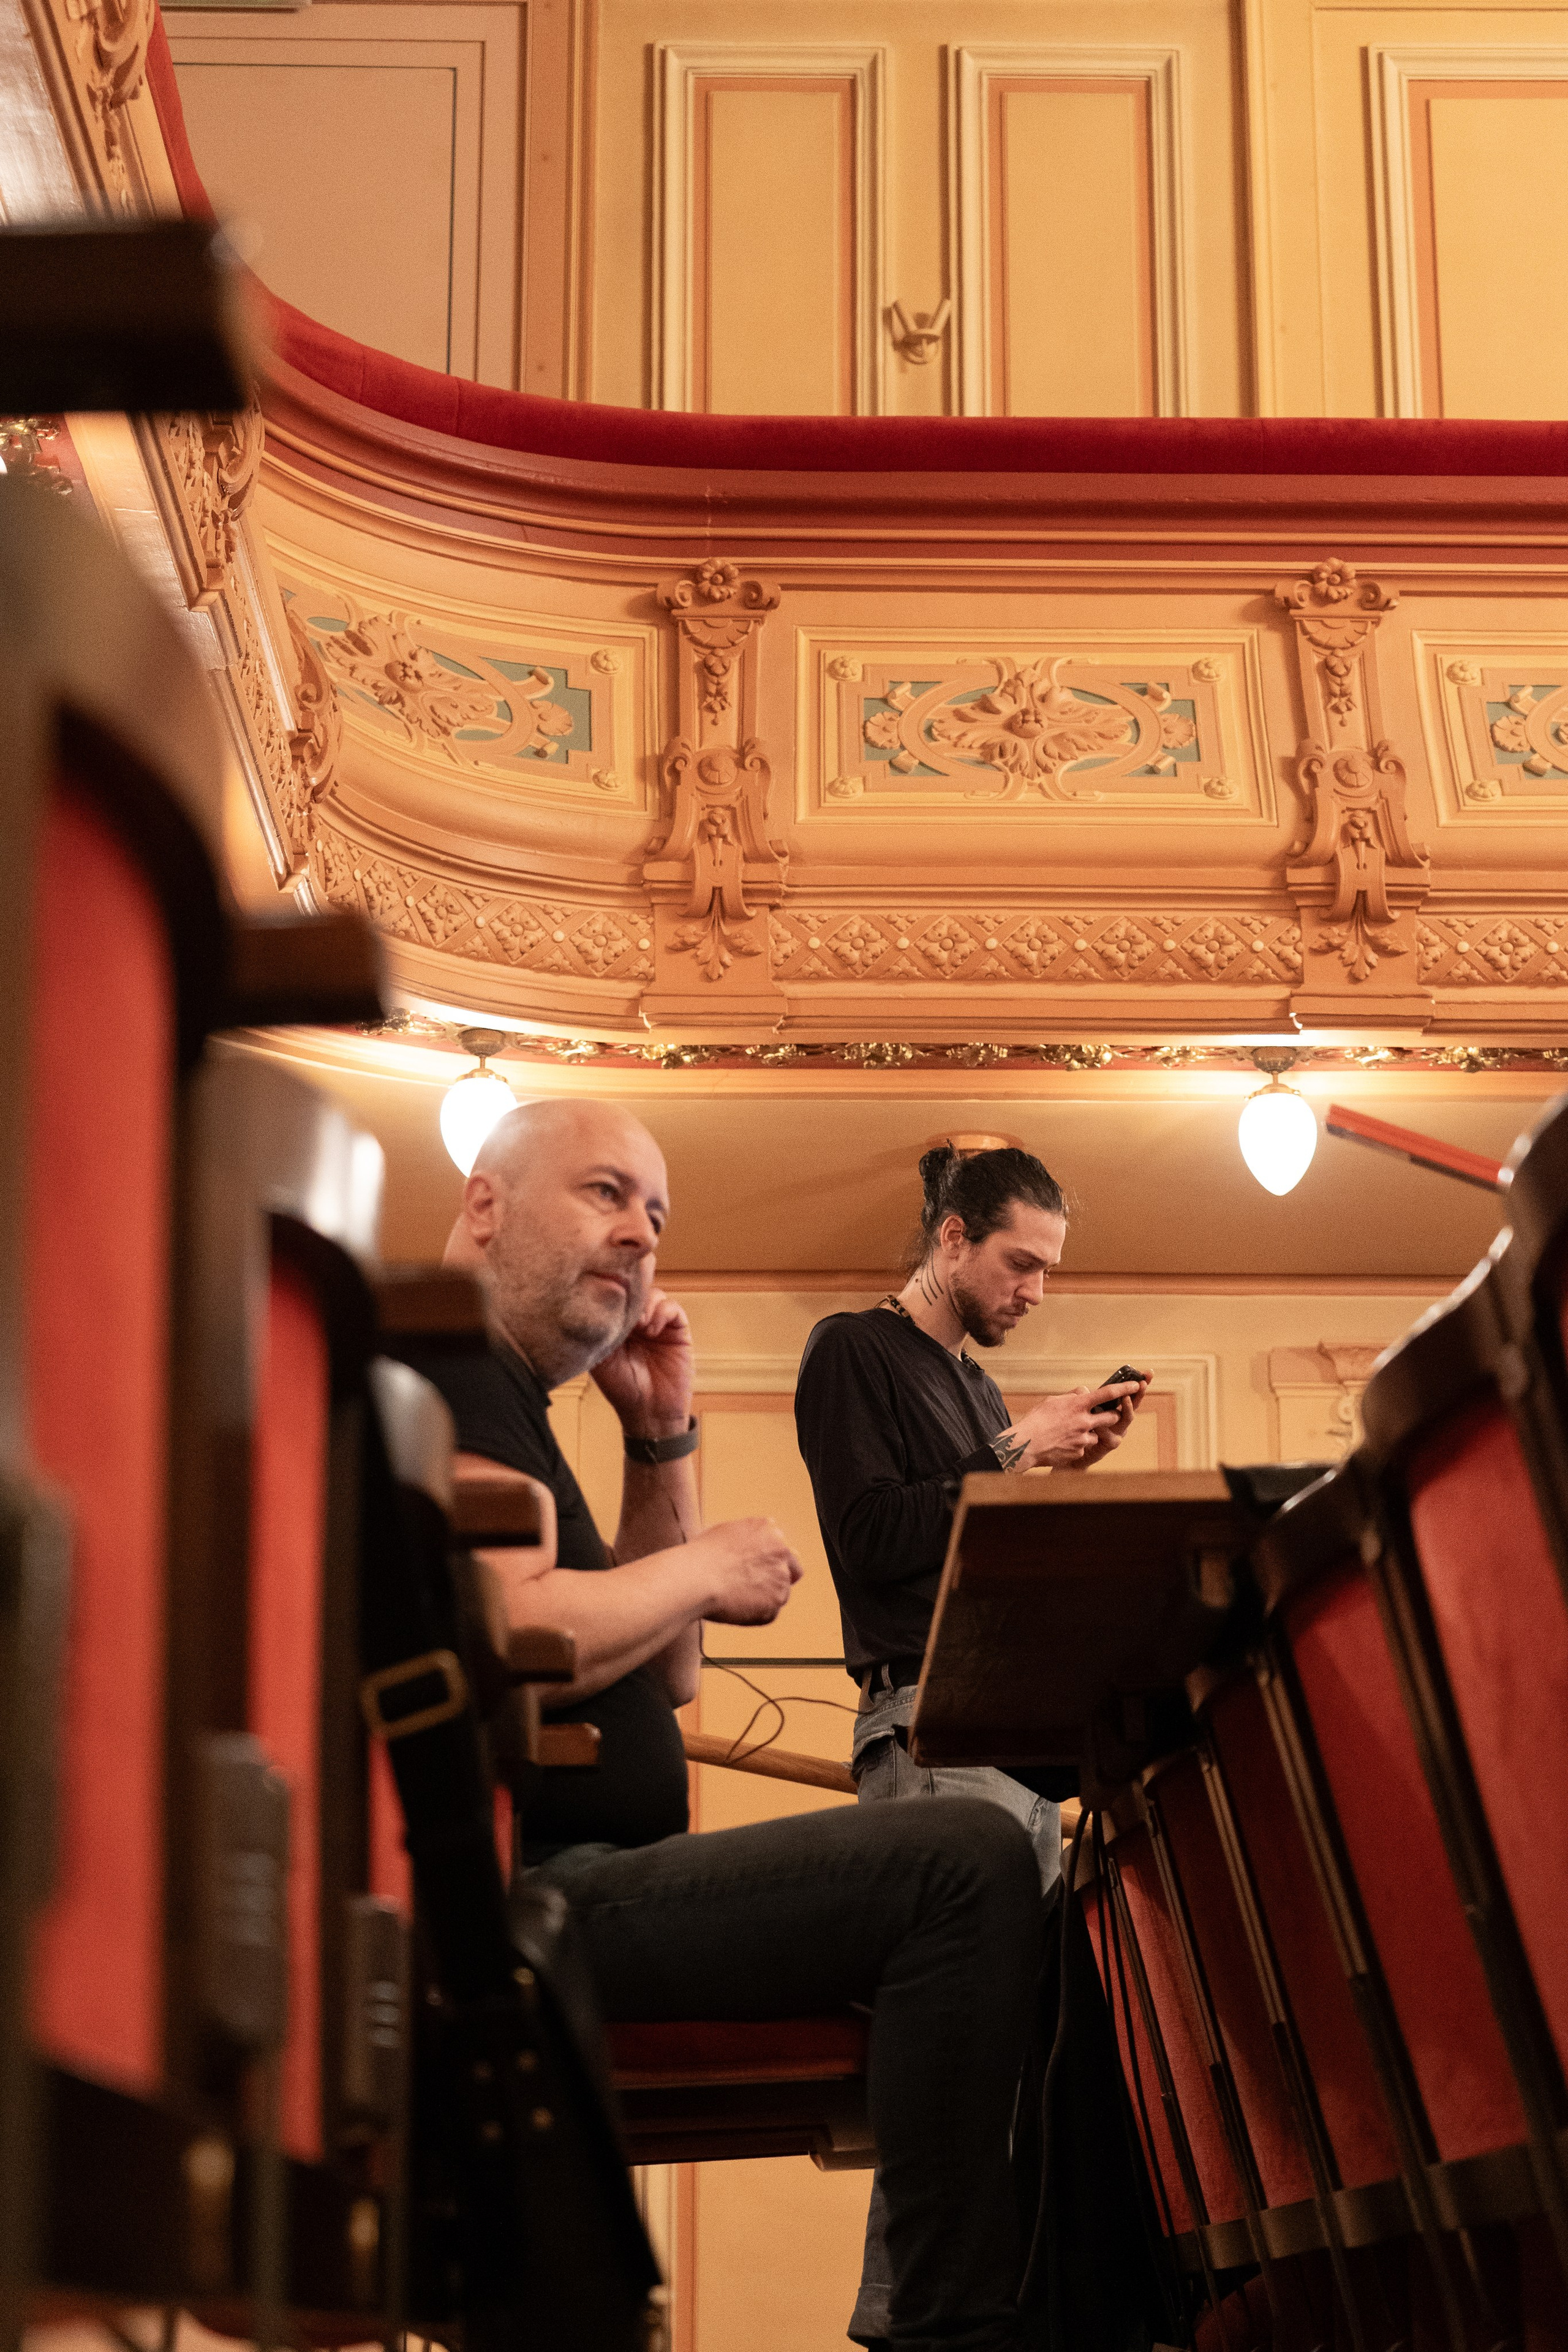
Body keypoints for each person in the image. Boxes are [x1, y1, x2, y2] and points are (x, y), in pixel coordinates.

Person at [399, 1097, 1046, 2352]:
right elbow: (510, 1631)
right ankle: (955, 2329)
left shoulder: (510, 1397)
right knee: (960, 1863)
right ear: (483, 1204)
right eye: (604, 1193)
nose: (640, 1234)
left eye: (656, 1213)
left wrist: (661, 1435)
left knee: (986, 1882)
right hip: (532, 1901)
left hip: (588, 1879)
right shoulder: (451, 1367)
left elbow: (670, 1681)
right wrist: (703, 1569)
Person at [793, 1142, 1148, 2348]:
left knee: (1007, 2080)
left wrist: (1036, 1475)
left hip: (1002, 1741)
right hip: (924, 1732)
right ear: (950, 1237)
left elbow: (973, 1560)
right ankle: (913, 2325)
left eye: (1047, 1272)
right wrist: (1011, 1457)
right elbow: (869, 1534)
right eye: (1017, 1264)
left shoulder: (980, 1392)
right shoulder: (851, 1350)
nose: (1033, 1292)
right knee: (952, 2074)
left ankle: (981, 2314)